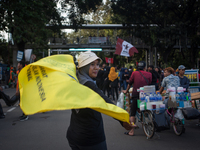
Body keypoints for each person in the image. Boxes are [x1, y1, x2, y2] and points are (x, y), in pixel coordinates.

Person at [66, 51, 134, 150]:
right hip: (90, 139)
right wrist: (123, 120)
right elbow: (106, 102)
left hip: (74, 135)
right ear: (83, 67)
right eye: (92, 64)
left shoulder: (74, 79)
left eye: (97, 64)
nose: (96, 67)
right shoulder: (88, 84)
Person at [123, 61, 152, 136]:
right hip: (146, 95)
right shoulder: (149, 74)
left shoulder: (134, 73)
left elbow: (130, 83)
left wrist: (126, 91)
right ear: (145, 67)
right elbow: (149, 83)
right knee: (147, 107)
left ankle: (131, 131)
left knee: (132, 112)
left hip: (136, 94)